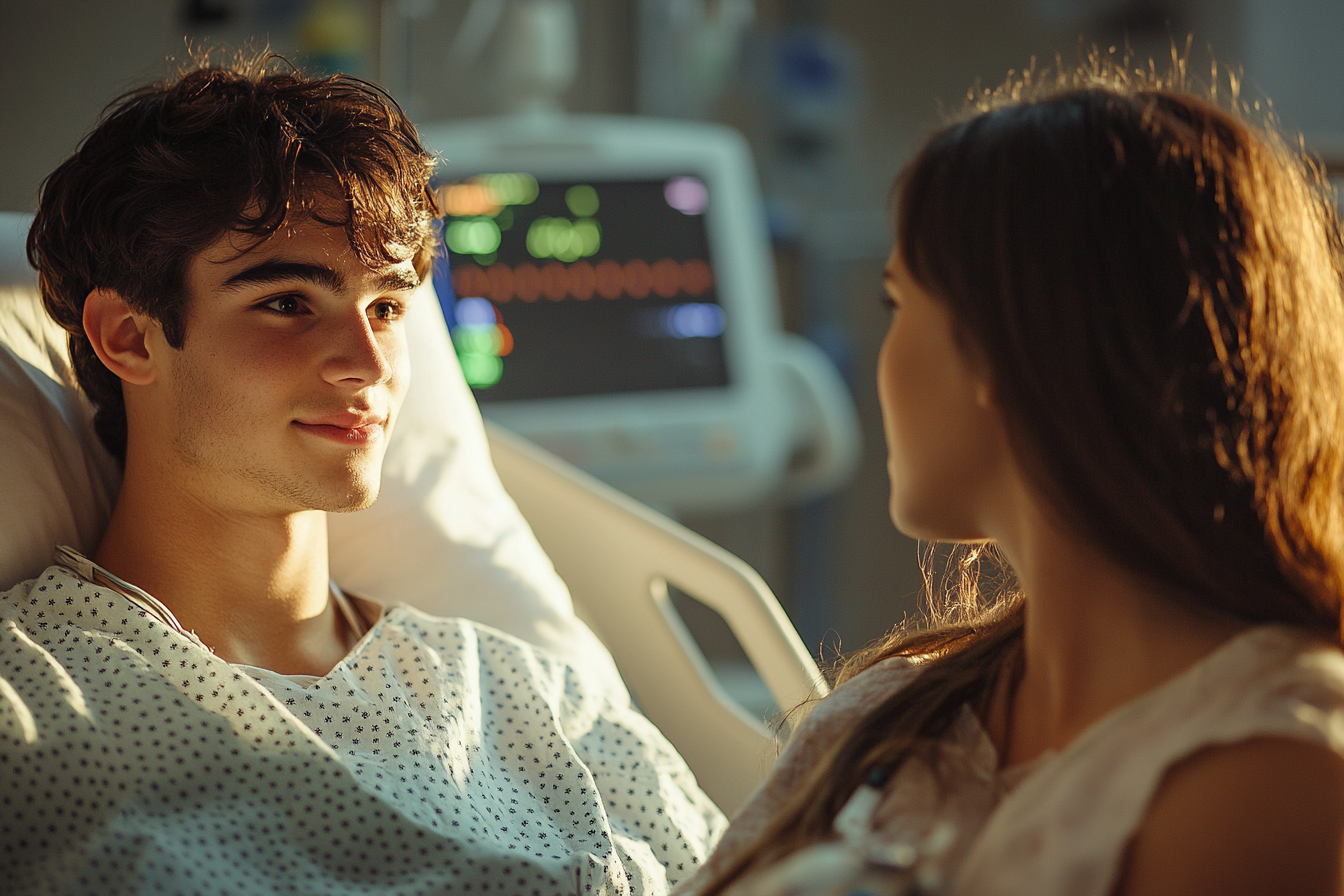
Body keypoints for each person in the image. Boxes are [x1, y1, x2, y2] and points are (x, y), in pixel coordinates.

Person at [0, 53, 724, 894]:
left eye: (386, 307)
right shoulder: (30, 709)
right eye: (287, 303)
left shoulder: (530, 698)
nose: (370, 363)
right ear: (128, 336)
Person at [676, 59, 1344, 896]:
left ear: (1000, 348)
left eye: (898, 304)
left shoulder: (1269, 763)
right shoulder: (891, 719)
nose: (882, 363)